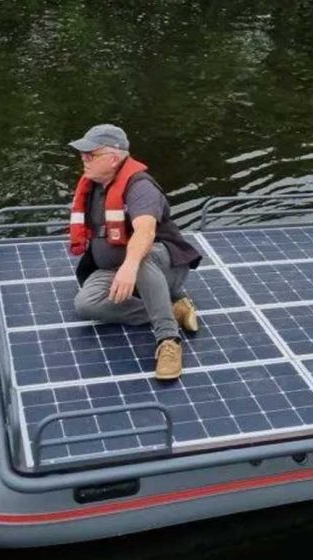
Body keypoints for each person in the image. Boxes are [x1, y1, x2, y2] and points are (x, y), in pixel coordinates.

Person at [67, 124, 202, 380]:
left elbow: (145, 232)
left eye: (90, 154)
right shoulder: (96, 185)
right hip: (113, 269)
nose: (83, 159)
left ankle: (168, 340)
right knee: (86, 305)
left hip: (163, 266)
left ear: (114, 157)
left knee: (139, 254)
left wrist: (129, 266)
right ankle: (174, 310)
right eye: (82, 154)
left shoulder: (140, 187)